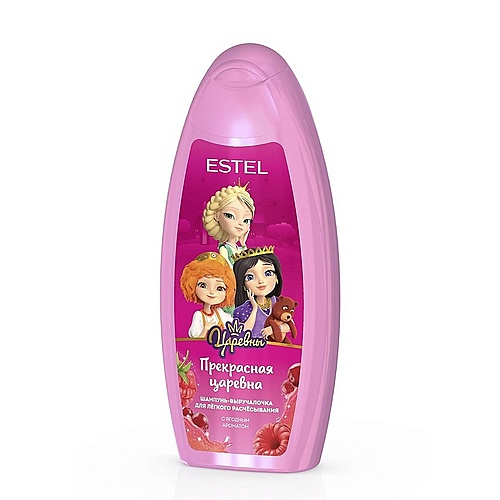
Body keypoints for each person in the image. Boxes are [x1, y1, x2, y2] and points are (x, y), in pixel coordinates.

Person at [232, 247, 290, 340]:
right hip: (252, 347)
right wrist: (254, 308)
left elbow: (290, 325)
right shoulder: (243, 309)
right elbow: (242, 333)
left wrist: (276, 329)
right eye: (250, 277)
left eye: (268, 273)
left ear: (277, 277)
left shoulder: (278, 302)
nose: (261, 281)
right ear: (243, 285)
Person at [180, 252, 236, 338]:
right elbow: (195, 341)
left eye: (219, 288)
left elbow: (234, 327)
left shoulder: (220, 313)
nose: (211, 292)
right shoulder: (198, 315)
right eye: (203, 285)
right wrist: (205, 329)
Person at [202, 183, 255, 267]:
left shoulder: (240, 248)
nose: (240, 223)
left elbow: (248, 265)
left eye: (246, 220)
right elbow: (229, 267)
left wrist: (243, 244)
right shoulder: (224, 249)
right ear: (217, 216)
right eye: (230, 216)